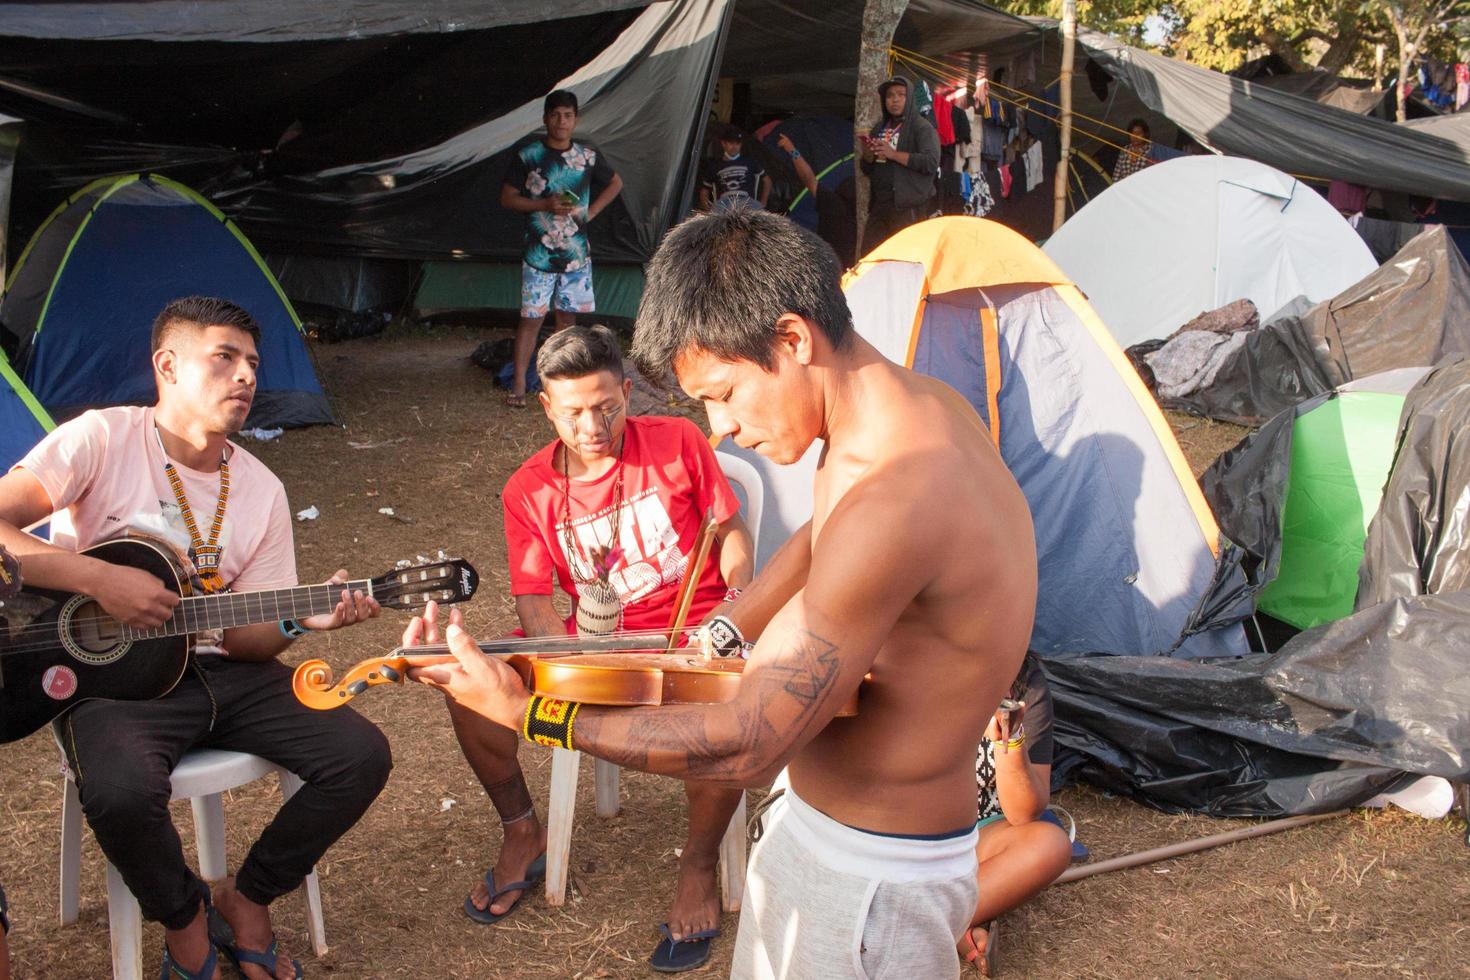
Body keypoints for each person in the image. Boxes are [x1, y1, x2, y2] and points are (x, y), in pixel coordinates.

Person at [409, 207, 1038, 980]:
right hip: (838, 839)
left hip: (870, 876)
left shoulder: (901, 493)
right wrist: (734, 624)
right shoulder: (904, 412)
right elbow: (821, 533)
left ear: (792, 338)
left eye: (724, 393)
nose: (721, 429)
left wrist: (526, 712)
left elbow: (748, 743)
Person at [0, 296, 392, 980]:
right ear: (168, 366)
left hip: (224, 673)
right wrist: (97, 578)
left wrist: (304, 619)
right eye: (225, 358)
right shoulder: (100, 439)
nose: (246, 376)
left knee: (359, 753)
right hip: (113, 681)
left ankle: (247, 896)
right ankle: (183, 921)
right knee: (120, 792)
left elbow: (247, 641)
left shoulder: (262, 489)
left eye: (252, 363)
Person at [445, 324, 754, 972]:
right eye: (575, 411)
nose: (593, 425)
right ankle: (522, 831)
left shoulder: (677, 442)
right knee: (466, 690)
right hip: (597, 651)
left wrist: (736, 602)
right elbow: (534, 602)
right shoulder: (527, 490)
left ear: (628, 390)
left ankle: (697, 866)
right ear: (548, 407)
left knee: (728, 728)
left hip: (696, 641)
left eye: (607, 406)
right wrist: (575, 662)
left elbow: (730, 531)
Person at [501, 90, 625, 408]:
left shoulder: (587, 156)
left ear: (575, 119)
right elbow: (507, 198)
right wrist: (542, 204)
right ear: (545, 118)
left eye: (568, 115)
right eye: (555, 115)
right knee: (531, 319)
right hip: (538, 254)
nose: (561, 121)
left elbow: (615, 183)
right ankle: (518, 387)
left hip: (576, 256)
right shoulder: (528, 155)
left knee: (567, 323)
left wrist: (591, 212)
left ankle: (560, 387)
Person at [959, 653, 1071, 976]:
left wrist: (1008, 740)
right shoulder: (914, 659)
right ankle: (956, 923)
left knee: (1049, 845)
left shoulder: (1025, 683)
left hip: (982, 833)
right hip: (907, 828)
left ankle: (936, 918)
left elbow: (1023, 813)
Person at [859, 75, 940, 254]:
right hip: (880, 205)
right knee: (870, 255)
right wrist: (867, 155)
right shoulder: (879, 127)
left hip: (907, 207)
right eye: (889, 95)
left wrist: (893, 154)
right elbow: (867, 169)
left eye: (901, 94)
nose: (894, 99)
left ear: (909, 97)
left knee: (905, 258)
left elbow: (930, 162)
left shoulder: (922, 127)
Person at [778, 132, 857, 268]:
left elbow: (809, 179)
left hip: (830, 263)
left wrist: (792, 150)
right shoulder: (867, 215)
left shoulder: (832, 204)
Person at [699, 124, 771, 212]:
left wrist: (763, 203)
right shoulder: (715, 165)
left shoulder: (750, 161)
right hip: (724, 203)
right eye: (731, 143)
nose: (734, 147)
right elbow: (704, 192)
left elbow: (767, 180)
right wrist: (709, 211)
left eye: (738, 143)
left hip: (746, 201)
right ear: (723, 143)